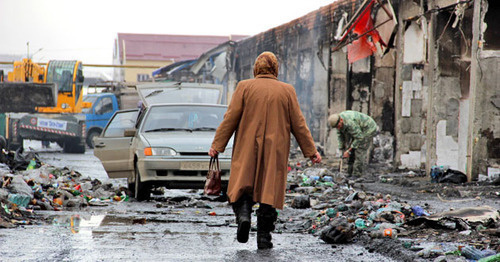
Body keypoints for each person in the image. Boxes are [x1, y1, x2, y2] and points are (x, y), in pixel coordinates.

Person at [208, 51, 322, 249]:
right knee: (269, 191)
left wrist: (217, 145)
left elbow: (230, 119)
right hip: (275, 150)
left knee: (242, 185)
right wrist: (311, 151)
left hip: (247, 147)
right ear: (275, 68)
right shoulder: (287, 90)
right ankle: (264, 238)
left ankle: (243, 215)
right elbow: (299, 124)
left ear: (256, 68)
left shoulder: (244, 87)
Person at [328, 110, 378, 177]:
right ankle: (349, 172)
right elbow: (340, 136)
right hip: (358, 130)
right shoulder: (338, 123)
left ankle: (357, 174)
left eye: (338, 126)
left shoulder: (350, 123)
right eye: (336, 127)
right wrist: (341, 148)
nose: (338, 128)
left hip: (368, 128)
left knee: (359, 150)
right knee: (351, 149)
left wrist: (348, 151)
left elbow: (359, 137)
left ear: (341, 120)